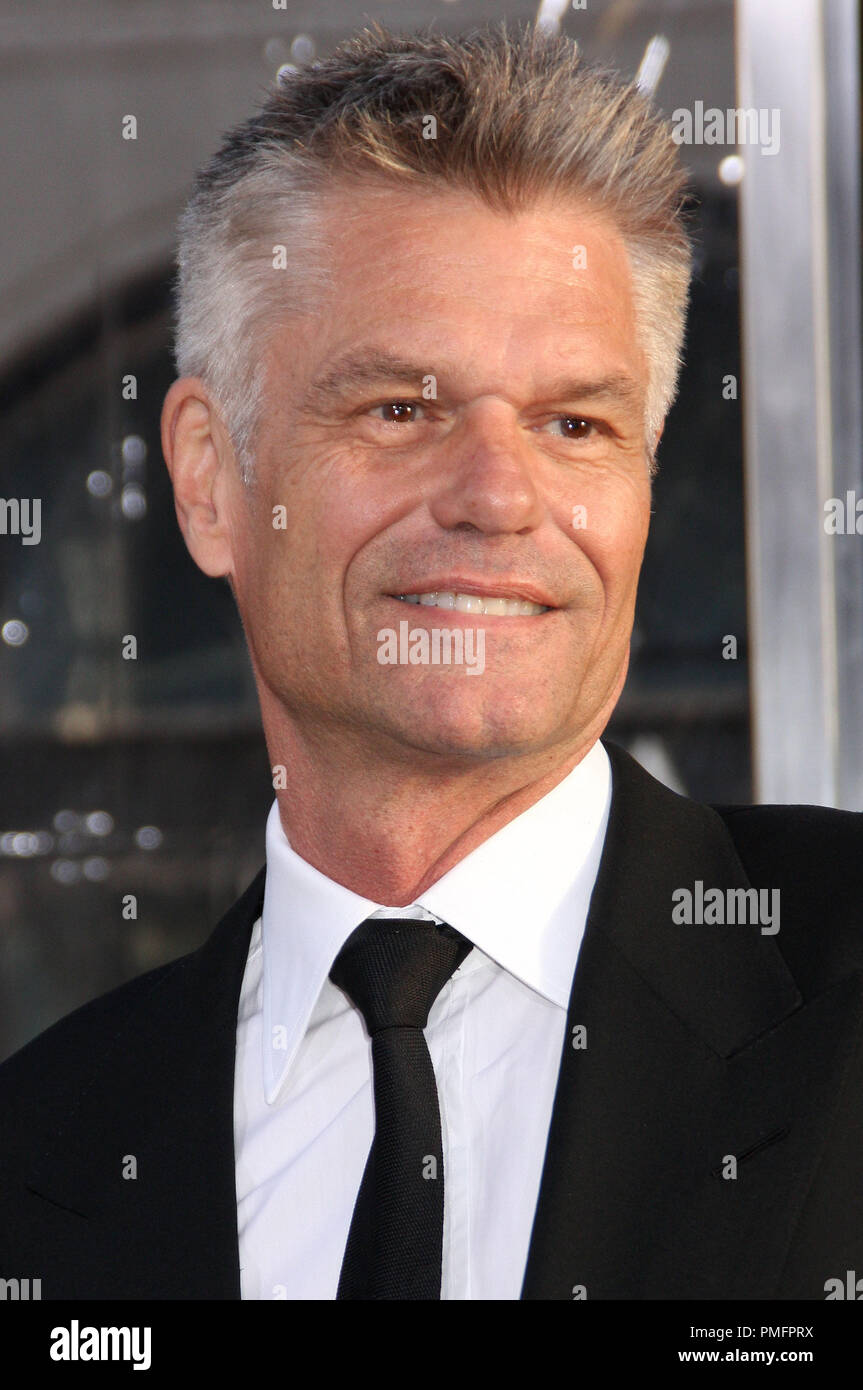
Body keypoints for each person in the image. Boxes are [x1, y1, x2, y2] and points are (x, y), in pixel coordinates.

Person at [1, 21, 861, 1302]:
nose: (497, 496)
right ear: (205, 479)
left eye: (575, 422)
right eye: (400, 409)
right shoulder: (42, 1151)